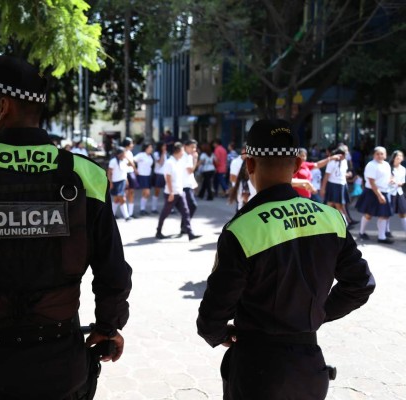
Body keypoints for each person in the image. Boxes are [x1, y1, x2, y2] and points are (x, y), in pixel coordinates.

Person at [0, 55, 131, 400]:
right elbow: (113, 271)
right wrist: (108, 326)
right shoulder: (86, 175)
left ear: (2, 106)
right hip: (62, 363)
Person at [196, 119, 375, 400]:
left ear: (250, 165)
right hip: (309, 367)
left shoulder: (243, 229)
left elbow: (213, 312)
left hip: (256, 369)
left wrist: (218, 335)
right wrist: (316, 313)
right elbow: (361, 285)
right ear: (295, 166)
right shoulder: (331, 218)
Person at [155, 142, 201, 241]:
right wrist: (171, 192)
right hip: (171, 193)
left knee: (186, 212)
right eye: (182, 151)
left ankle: (190, 233)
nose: (183, 153)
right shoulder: (169, 162)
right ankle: (158, 231)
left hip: (180, 191)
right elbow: (167, 178)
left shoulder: (179, 161)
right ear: (178, 151)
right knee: (165, 213)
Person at [356, 146, 394, 244]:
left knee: (384, 215)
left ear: (385, 155)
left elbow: (388, 176)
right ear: (374, 155)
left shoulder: (386, 165)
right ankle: (361, 232)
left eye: (382, 153)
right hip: (372, 192)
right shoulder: (371, 165)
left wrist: (391, 180)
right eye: (377, 153)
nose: (380, 155)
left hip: (384, 191)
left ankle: (382, 237)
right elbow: (372, 182)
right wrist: (379, 195)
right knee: (369, 214)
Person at [386, 150, 406, 238]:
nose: (399, 157)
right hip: (390, 192)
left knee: (403, 212)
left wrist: (400, 183)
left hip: (399, 192)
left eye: (401, 156)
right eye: (398, 156)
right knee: (388, 213)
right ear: (394, 157)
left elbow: (403, 181)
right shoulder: (388, 167)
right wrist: (390, 181)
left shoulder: (403, 169)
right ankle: (386, 231)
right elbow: (385, 180)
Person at [108, 147, 131, 221]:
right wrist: (110, 182)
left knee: (119, 198)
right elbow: (109, 172)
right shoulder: (113, 161)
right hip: (115, 181)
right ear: (120, 154)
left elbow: (126, 170)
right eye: (124, 153)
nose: (125, 155)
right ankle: (122, 216)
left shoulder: (124, 161)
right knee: (118, 198)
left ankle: (126, 216)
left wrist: (126, 180)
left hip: (122, 181)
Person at [134, 143, 154, 216]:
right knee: (147, 192)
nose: (151, 149)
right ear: (146, 148)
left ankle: (142, 209)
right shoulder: (141, 155)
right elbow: (133, 160)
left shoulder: (150, 156)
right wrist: (135, 170)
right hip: (142, 176)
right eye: (150, 147)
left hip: (148, 176)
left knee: (145, 193)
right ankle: (142, 209)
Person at [151, 142, 168, 213]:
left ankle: (169, 208)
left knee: (168, 191)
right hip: (158, 174)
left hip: (166, 174)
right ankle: (153, 208)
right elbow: (160, 163)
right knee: (157, 191)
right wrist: (163, 154)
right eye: (163, 145)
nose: (165, 147)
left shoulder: (166, 153)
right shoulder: (156, 154)